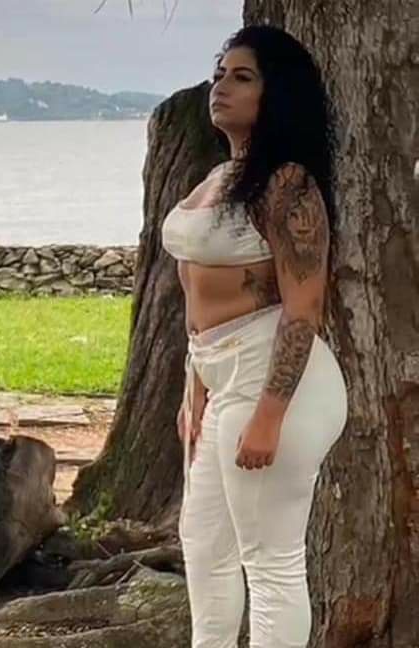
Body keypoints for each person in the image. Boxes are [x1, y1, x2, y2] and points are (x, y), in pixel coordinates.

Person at [160, 25, 349, 648]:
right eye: (219, 74)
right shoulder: (222, 177)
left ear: (277, 95)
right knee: (203, 543)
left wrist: (269, 415)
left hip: (275, 378)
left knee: (270, 560)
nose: (221, 86)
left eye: (242, 77)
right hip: (221, 377)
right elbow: (194, 294)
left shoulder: (288, 184)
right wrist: (195, 387)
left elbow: (304, 306)